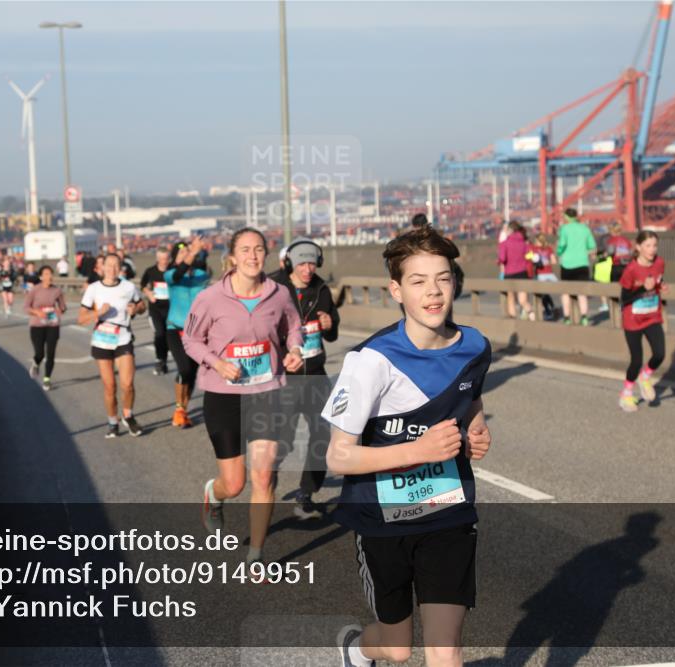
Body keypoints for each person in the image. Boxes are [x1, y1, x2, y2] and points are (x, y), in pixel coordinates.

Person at [324, 225, 492, 667]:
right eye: (418, 282)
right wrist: (417, 451)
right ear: (396, 290)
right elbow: (337, 455)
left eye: (443, 278)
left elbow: (470, 395)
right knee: (397, 650)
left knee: (446, 652)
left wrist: (477, 424)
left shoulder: (475, 346)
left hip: (448, 511)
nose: (433, 292)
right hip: (383, 520)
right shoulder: (371, 361)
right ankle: (357, 649)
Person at [183, 228, 304, 567]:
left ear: (266, 254)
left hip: (266, 391)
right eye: (245, 250)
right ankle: (213, 495)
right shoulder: (210, 298)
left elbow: (293, 326)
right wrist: (217, 362)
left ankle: (256, 556)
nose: (253, 256)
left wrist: (295, 349)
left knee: (263, 475)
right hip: (224, 396)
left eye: (259, 249)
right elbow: (191, 340)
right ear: (232, 257)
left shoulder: (279, 293)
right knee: (234, 483)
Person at [268, 237, 341, 520]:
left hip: (316, 374)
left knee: (322, 434)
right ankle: (268, 476)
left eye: (312, 262)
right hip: (286, 377)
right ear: (289, 264)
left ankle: (306, 494)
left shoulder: (321, 288)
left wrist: (330, 324)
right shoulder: (273, 289)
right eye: (302, 263)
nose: (308, 269)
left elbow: (332, 332)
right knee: (284, 439)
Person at [78, 254, 147, 438]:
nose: (112, 268)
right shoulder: (93, 289)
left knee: (128, 384)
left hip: (123, 338)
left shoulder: (129, 287)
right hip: (102, 340)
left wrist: (136, 309)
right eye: (109, 265)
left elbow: (142, 305)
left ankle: (128, 415)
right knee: (110, 387)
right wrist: (98, 312)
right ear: (103, 267)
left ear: (120, 268)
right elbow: (81, 318)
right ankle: (112, 422)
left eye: (116, 265)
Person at [618, 231, 667, 412]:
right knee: (636, 360)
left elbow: (658, 279)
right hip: (633, 319)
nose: (652, 250)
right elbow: (624, 298)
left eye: (654, 245)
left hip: (652, 315)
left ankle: (645, 377)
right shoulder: (631, 270)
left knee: (660, 354)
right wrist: (641, 289)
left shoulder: (660, 263)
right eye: (647, 246)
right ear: (638, 247)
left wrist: (661, 285)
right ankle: (626, 394)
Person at [165, 238, 210, 428]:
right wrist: (191, 252)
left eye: (188, 254)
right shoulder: (170, 275)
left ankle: (183, 409)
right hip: (175, 329)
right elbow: (179, 274)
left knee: (191, 373)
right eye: (181, 254)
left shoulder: (201, 275)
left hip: (197, 332)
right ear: (175, 259)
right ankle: (178, 408)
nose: (186, 257)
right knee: (183, 368)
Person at [25, 265, 67, 392]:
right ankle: (36, 363)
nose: (50, 276)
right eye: (47, 274)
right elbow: (26, 307)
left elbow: (63, 306)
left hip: (53, 324)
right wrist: (37, 313)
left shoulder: (57, 290)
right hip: (37, 325)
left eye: (51, 274)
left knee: (51, 353)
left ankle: (47, 379)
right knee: (40, 353)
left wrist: (61, 310)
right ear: (41, 276)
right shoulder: (34, 290)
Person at [556, 208, 596, 326]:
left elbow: (562, 244)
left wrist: (559, 253)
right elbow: (592, 245)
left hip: (567, 264)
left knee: (566, 292)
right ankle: (584, 317)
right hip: (582, 263)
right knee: (581, 293)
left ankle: (567, 318)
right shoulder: (585, 229)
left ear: (567, 217)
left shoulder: (564, 229)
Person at [140, 248, 172, 375]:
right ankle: (160, 360)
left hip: (170, 308)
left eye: (166, 258)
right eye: (161, 259)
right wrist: (148, 293)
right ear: (157, 259)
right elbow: (142, 285)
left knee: (168, 336)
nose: (164, 261)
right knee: (159, 334)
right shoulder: (150, 271)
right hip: (156, 309)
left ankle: (163, 360)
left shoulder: (172, 271)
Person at [497, 221, 533, 320]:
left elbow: (502, 259)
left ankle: (513, 320)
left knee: (511, 298)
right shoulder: (524, 242)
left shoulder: (504, 243)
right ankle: (533, 316)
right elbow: (529, 256)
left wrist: (498, 261)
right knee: (523, 300)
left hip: (510, 273)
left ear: (510, 230)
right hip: (523, 273)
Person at [529, 233, 557, 320]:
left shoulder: (539, 249)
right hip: (545, 274)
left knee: (543, 294)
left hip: (543, 274)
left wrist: (543, 262)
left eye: (536, 241)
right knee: (544, 293)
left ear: (539, 240)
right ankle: (551, 309)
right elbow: (554, 261)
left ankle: (549, 310)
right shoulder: (547, 249)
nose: (535, 242)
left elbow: (554, 261)